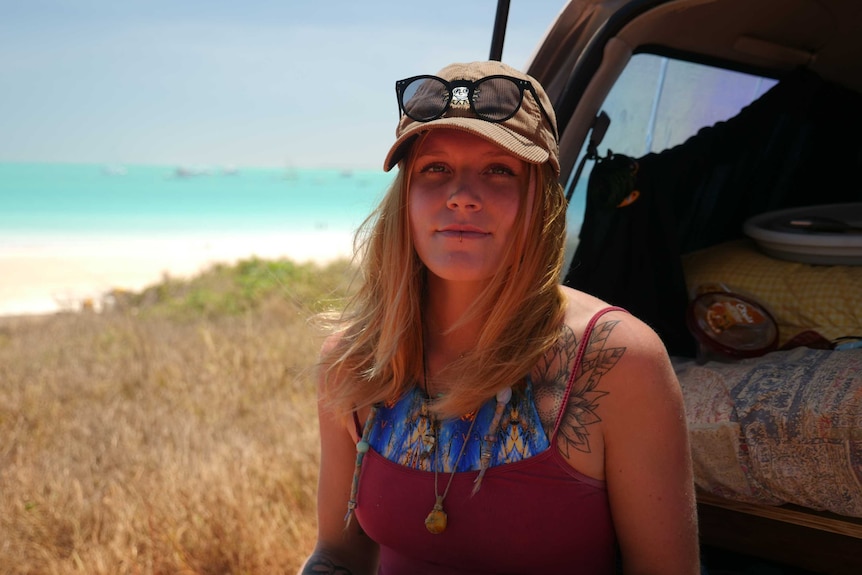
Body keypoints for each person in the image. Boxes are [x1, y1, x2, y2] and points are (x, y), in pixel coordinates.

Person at [300, 60, 700, 574]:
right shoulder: (354, 361)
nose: (462, 195)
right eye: (435, 168)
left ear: (540, 201)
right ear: (406, 199)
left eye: (498, 170)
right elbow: (338, 554)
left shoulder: (619, 362)